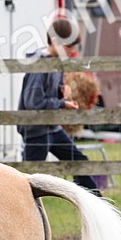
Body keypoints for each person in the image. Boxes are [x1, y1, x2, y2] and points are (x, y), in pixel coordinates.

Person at [17, 18, 101, 195]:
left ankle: (96, 203)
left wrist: (61, 92)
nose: (72, 51)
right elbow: (34, 103)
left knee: (79, 162)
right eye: (69, 47)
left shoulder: (57, 63)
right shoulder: (40, 65)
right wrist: (62, 103)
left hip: (53, 128)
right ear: (55, 42)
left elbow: (48, 95)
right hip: (37, 130)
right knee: (30, 181)